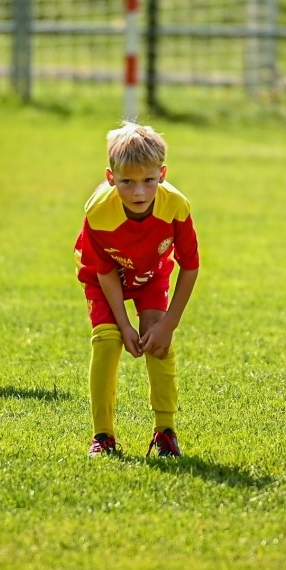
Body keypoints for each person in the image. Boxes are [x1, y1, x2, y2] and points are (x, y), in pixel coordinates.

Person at [75, 122, 200, 458]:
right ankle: (103, 437)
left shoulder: (176, 206)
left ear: (162, 174)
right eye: (127, 182)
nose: (139, 192)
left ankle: (165, 432)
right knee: (107, 341)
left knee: (158, 343)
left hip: (150, 274)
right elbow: (104, 270)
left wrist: (168, 325)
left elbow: (190, 265)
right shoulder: (98, 211)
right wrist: (123, 324)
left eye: (148, 180)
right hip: (103, 277)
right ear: (110, 177)